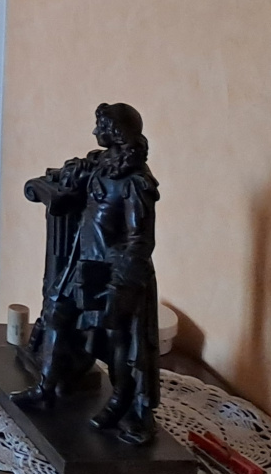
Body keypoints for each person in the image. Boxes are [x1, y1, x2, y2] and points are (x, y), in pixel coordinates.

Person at [14, 103, 163, 444]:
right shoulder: (103, 163)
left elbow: (140, 240)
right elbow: (78, 175)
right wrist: (69, 173)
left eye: (102, 127)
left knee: (119, 340)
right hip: (81, 261)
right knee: (56, 314)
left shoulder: (136, 183)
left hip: (112, 271)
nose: (95, 132)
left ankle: (121, 401)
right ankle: (46, 387)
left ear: (117, 133)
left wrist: (122, 285)